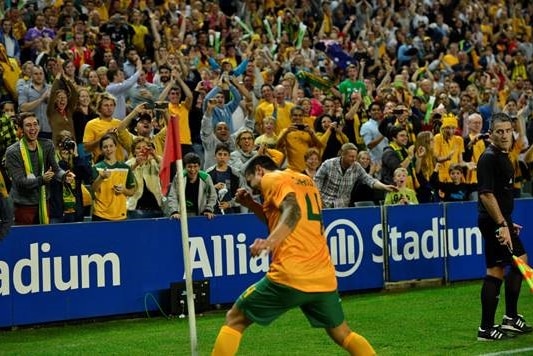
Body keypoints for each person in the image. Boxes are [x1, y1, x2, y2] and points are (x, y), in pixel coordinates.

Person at [211, 154, 377, 356]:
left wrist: (270, 242)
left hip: (291, 273)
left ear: (259, 171)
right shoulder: (305, 180)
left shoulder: (272, 179)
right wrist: (252, 204)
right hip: (323, 276)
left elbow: (294, 211)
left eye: (250, 181)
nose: (253, 188)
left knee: (235, 318)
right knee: (343, 334)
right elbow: (281, 218)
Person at [476, 112, 532, 341]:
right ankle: (486, 329)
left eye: (508, 130)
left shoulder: (502, 155)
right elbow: (486, 195)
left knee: (519, 262)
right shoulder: (489, 157)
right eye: (499, 131)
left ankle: (509, 318)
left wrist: (507, 221)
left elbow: (499, 193)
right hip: (494, 223)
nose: (504, 135)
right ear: (491, 134)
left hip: (501, 221)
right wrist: (501, 224)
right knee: (498, 270)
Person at [5, 112, 75, 225]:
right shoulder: (12, 152)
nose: (32, 128)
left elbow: (56, 169)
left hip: (43, 203)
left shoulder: (47, 145)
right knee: (25, 240)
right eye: (28, 125)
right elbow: (20, 182)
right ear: (21, 129)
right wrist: (42, 179)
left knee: (43, 238)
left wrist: (64, 176)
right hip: (23, 206)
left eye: (35, 124)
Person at [314, 143, 396, 208]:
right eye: (351, 156)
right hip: (324, 205)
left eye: (355, 157)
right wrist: (318, 201)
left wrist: (384, 186)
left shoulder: (356, 167)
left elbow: (370, 180)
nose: (354, 159)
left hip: (343, 207)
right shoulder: (328, 164)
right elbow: (316, 183)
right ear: (343, 155)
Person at [91, 134, 136, 221]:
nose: (108, 149)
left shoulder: (125, 168)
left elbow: (132, 191)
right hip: (100, 215)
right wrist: (101, 177)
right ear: (101, 150)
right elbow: (93, 189)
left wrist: (124, 190)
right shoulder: (96, 167)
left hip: (120, 215)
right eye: (105, 147)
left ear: (116, 147)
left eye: (111, 146)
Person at [166, 152, 216, 220]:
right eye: (189, 166)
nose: (192, 170)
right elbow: (172, 195)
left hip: (200, 214)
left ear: (199, 167)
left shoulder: (206, 178)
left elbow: (213, 195)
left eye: (195, 166)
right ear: (185, 167)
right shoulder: (179, 177)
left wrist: (209, 209)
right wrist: (174, 211)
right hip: (181, 215)